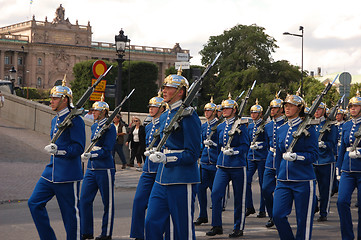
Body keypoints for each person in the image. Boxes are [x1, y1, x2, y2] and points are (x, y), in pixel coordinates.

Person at [145, 69, 201, 240]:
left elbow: (193, 154)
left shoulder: (189, 116)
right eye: (164, 87)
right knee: (151, 222)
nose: (164, 90)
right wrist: (156, 152)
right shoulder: (164, 117)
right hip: (162, 178)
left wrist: (167, 158)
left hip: (182, 179)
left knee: (182, 229)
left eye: (168, 88)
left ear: (180, 91)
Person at [28, 81, 85, 240]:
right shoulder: (55, 120)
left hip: (67, 175)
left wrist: (59, 151)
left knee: (70, 215)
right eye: (51, 98)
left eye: (54, 98)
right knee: (34, 203)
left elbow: (79, 147)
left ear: (64, 99)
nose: (51, 101)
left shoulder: (76, 120)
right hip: (51, 172)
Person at [273, 93, 319, 240]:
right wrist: (277, 175)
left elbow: (313, 155)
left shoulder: (308, 128)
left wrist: (297, 157)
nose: (287, 108)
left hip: (303, 180)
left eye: (291, 106)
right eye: (285, 105)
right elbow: (279, 155)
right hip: (284, 180)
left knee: (303, 221)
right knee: (277, 215)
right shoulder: (281, 129)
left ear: (299, 108)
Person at [206, 95, 249, 238]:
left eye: (227, 108)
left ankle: (238, 227)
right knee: (216, 193)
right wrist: (218, 160)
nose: (224, 110)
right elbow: (219, 146)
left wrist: (235, 151)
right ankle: (216, 225)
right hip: (223, 165)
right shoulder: (221, 126)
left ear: (234, 110)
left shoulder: (241, 125)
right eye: (223, 108)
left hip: (237, 165)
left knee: (239, 198)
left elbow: (245, 145)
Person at [80, 96, 116, 240]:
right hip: (91, 169)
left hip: (104, 168)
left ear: (103, 112)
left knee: (108, 203)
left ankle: (106, 233)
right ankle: (86, 231)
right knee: (84, 200)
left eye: (96, 110)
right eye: (93, 110)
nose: (93, 112)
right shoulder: (95, 126)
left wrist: (91, 155)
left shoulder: (110, 127)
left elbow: (107, 150)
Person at [130, 93, 166, 240]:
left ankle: (158, 234)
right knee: (138, 200)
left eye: (155, 106)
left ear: (162, 108)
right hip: (148, 168)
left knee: (155, 206)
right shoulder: (149, 126)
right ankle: (138, 234)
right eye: (150, 106)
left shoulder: (164, 124)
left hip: (159, 169)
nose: (151, 109)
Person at [336, 92, 361, 240]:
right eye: (351, 106)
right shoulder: (346, 126)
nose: (352, 109)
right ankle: (347, 236)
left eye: (356, 106)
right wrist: (339, 168)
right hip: (347, 169)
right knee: (341, 201)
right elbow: (341, 148)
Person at [194, 96, 218, 226]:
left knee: (215, 192)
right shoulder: (203, 126)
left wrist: (213, 144)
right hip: (204, 162)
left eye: (209, 111)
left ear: (214, 112)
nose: (207, 113)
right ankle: (202, 214)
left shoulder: (218, 126)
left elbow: (222, 144)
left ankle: (216, 219)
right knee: (200, 189)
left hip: (214, 163)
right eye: (205, 111)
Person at [262, 94, 285, 228]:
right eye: (271, 108)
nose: (272, 110)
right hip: (270, 159)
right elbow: (267, 143)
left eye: (275, 108)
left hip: (283, 160)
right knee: (265, 189)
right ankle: (272, 215)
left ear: (281, 110)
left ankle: (279, 215)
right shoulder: (268, 126)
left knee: (281, 190)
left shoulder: (285, 125)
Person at [313, 102, 337, 222]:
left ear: (324, 111)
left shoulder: (330, 125)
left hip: (326, 160)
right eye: (315, 109)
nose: (316, 111)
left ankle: (323, 212)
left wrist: (323, 144)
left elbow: (333, 143)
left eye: (319, 109)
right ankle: (314, 205)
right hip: (313, 161)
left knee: (325, 189)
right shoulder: (311, 124)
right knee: (310, 187)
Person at [246, 99, 268, 218]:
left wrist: (260, 145)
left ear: (260, 114)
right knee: (246, 181)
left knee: (262, 184)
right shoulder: (250, 126)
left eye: (255, 113)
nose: (253, 115)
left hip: (261, 157)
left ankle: (262, 209)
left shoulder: (264, 126)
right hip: (251, 156)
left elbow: (268, 142)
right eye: (251, 113)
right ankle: (249, 206)